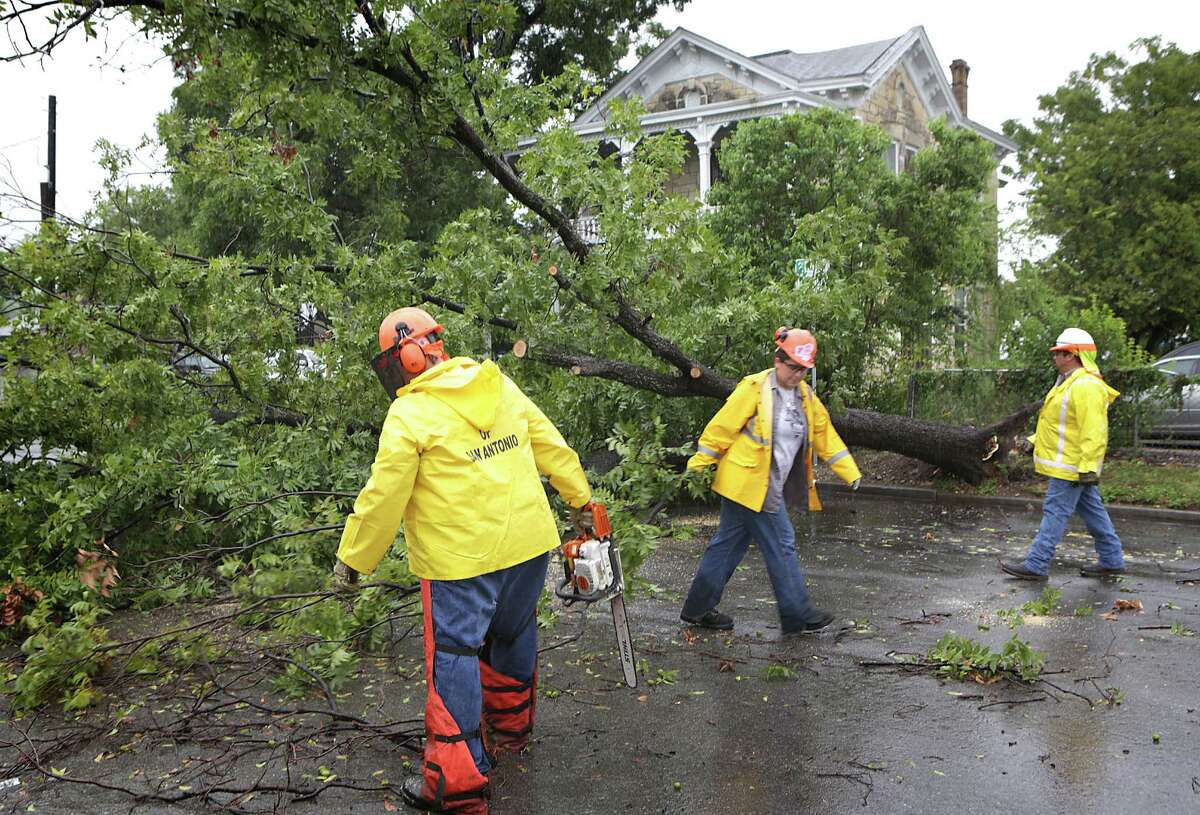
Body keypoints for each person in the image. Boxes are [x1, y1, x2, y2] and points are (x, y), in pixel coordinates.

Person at [333, 307, 594, 814]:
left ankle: (455, 782)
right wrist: (581, 502)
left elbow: (383, 494)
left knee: (453, 655)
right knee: (512, 633)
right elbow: (552, 445)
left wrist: (353, 559)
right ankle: (511, 732)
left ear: (406, 356)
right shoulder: (498, 384)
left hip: (460, 561)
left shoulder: (409, 414)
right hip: (526, 546)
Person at [680, 327, 862, 637]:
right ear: (778, 360)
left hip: (758, 486)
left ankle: (698, 609)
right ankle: (797, 614)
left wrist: (849, 471)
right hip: (750, 483)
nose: (797, 375)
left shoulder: (805, 396)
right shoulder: (754, 388)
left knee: (727, 547)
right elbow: (721, 427)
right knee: (782, 543)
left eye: (804, 370)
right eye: (793, 367)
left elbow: (823, 434)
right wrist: (698, 464)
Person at [1000, 328, 1125, 581]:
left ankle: (1036, 564)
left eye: (1058, 353)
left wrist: (1089, 467)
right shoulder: (1070, 383)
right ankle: (1112, 560)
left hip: (1072, 466)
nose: (1054, 358)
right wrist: (1032, 442)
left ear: (1072, 355)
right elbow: (1060, 425)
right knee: (1093, 513)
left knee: (1055, 511)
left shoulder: (1086, 386)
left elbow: (1094, 431)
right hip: (1074, 464)